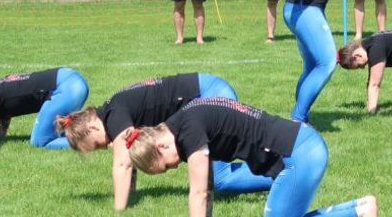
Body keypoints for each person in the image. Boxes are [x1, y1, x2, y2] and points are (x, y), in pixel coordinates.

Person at [126, 97, 378, 217]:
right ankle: (360, 210)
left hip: (299, 154)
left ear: (160, 145)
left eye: (167, 166)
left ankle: (359, 212)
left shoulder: (189, 131)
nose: (174, 166)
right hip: (301, 146)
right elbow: (208, 189)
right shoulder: (182, 123)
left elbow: (198, 192)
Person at [57, 73, 266, 210]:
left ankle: (283, 175)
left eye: (96, 144)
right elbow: (133, 155)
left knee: (221, 180)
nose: (102, 147)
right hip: (210, 89)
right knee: (219, 170)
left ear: (92, 127)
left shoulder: (115, 115)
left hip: (210, 94)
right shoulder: (114, 109)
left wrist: (118, 210)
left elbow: (123, 164)